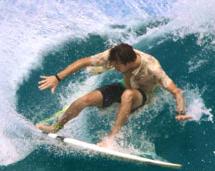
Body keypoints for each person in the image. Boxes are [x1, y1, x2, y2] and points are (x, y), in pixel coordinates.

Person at [37, 42, 193, 148]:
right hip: (124, 86)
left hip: (142, 94)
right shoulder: (114, 56)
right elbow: (84, 62)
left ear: (129, 62)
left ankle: (111, 139)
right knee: (85, 99)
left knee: (128, 95)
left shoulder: (152, 68)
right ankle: (55, 127)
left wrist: (181, 112)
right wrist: (57, 78)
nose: (114, 67)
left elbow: (176, 91)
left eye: (117, 65)